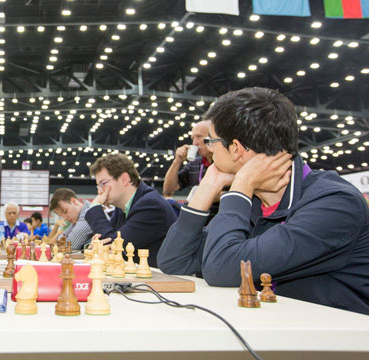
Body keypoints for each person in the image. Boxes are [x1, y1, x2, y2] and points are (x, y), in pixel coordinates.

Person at [157, 87, 369, 315]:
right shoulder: (255, 203)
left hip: (336, 344)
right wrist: (205, 191)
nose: (208, 148)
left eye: (211, 141)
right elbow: (174, 263)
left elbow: (220, 268)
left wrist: (240, 188)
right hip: (271, 333)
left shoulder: (334, 204)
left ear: (236, 149)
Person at [85, 154, 177, 267]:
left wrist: (94, 208)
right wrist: (97, 244)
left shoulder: (151, 206)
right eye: (98, 186)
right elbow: (106, 242)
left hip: (163, 281)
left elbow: (114, 248)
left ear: (124, 179)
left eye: (103, 184)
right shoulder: (122, 209)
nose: (100, 192)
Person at [162, 121, 213, 197]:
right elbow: (168, 189)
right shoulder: (193, 165)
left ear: (212, 137)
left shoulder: (227, 163)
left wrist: (207, 195)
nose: (194, 143)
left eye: (199, 136)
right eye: (193, 138)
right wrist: (177, 161)